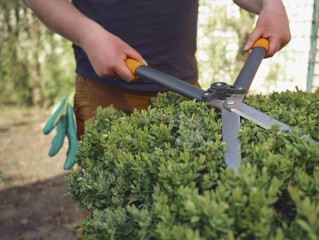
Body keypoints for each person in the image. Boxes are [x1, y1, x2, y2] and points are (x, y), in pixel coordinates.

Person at [23, 0, 290, 237]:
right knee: (105, 217)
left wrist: (270, 4)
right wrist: (88, 34)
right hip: (105, 92)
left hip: (186, 92)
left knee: (186, 214)